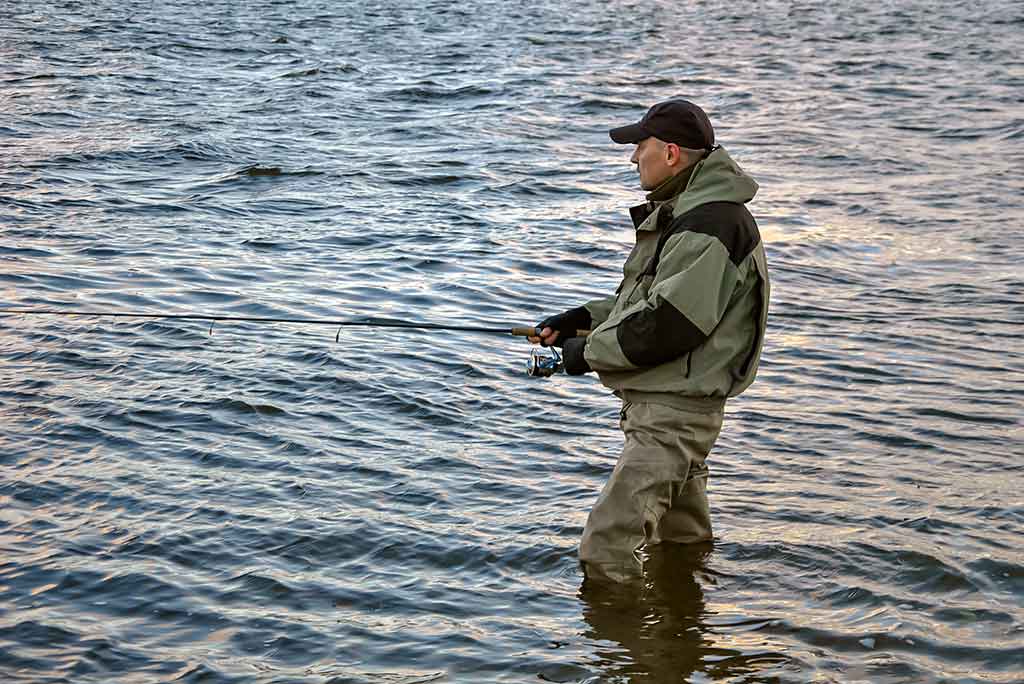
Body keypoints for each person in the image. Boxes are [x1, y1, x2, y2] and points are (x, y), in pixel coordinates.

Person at [529, 99, 770, 583]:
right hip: (675, 404)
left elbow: (669, 325)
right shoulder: (691, 213)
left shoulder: (709, 224)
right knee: (681, 543)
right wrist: (581, 320)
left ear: (672, 153)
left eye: (640, 146)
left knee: (606, 545)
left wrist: (584, 355)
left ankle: (621, 652)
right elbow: (645, 303)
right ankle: (683, 634)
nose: (633, 157)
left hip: (674, 415)